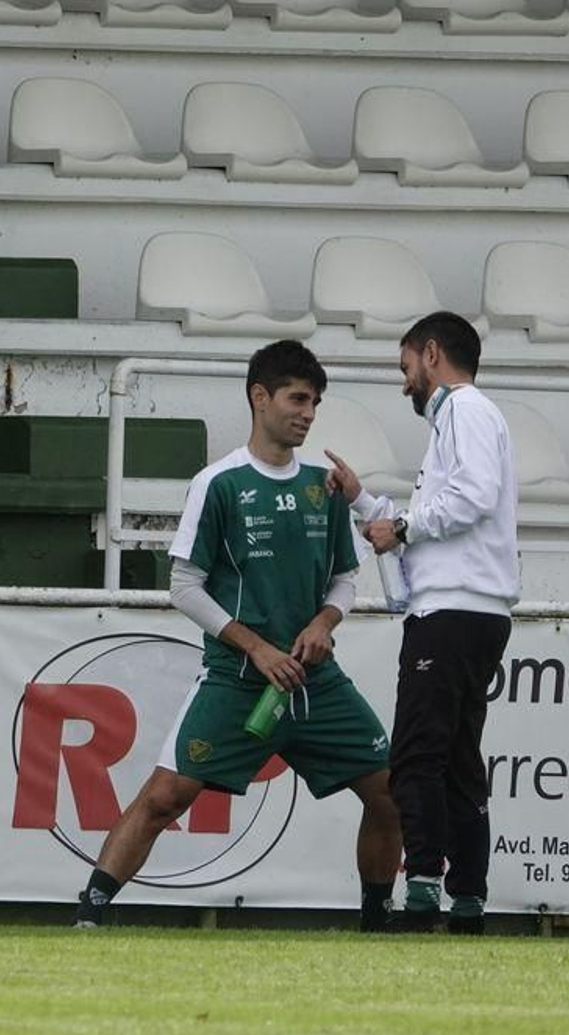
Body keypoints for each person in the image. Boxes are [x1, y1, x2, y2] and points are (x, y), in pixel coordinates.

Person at [73, 340, 402, 931]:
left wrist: (324, 622)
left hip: (315, 682)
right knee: (164, 798)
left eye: (315, 402)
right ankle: (88, 916)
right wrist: (257, 647)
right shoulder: (218, 483)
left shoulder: (323, 484)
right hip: (238, 678)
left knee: (391, 793)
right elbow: (184, 586)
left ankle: (378, 927)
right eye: (297, 399)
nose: (307, 413)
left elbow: (345, 578)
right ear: (260, 397)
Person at [325, 310, 518, 935]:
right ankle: (467, 901)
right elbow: (450, 508)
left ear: (432, 354)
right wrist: (363, 500)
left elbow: (471, 498)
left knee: (416, 757)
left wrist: (403, 526)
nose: (404, 380)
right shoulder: (466, 418)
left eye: (406, 365)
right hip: (475, 610)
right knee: (457, 759)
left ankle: (424, 895)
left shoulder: (462, 410)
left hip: (452, 611)